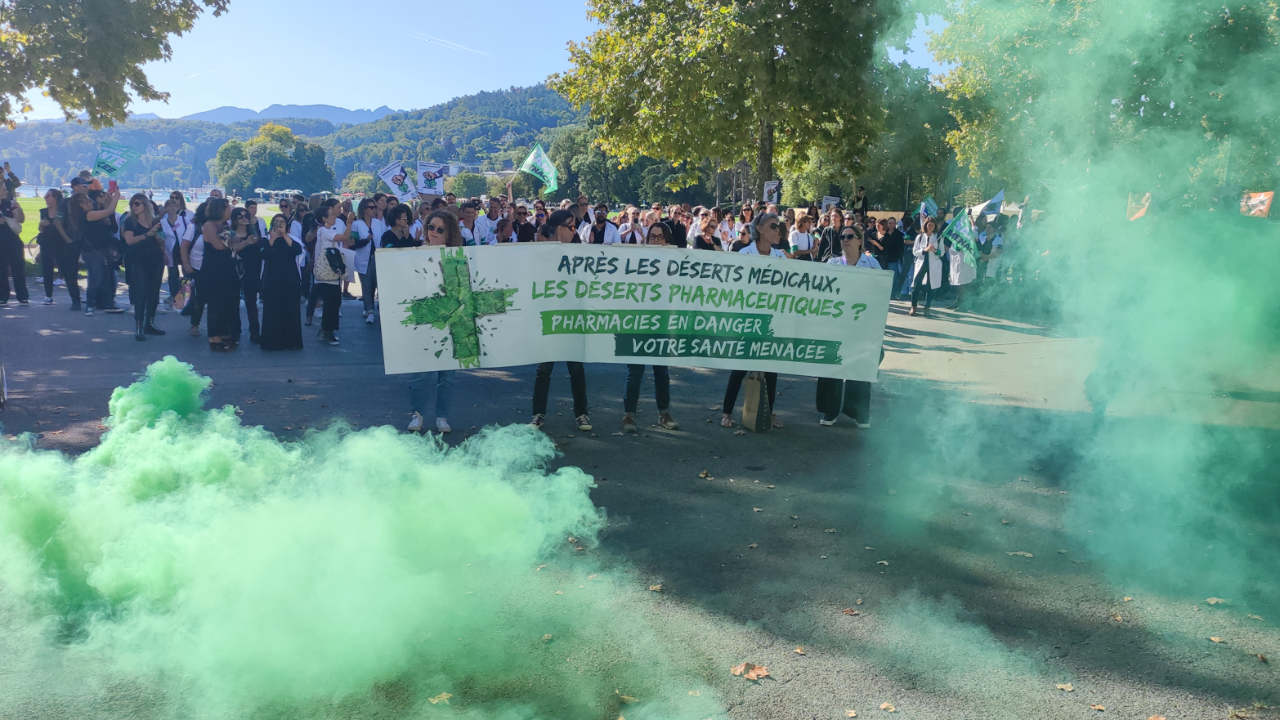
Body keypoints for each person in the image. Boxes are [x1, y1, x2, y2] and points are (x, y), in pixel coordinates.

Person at [722, 213, 786, 429]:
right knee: (740, 366)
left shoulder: (781, 257)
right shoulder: (744, 253)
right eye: (773, 226)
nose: (778, 230)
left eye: (779, 226)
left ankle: (769, 413)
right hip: (748, 319)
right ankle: (727, 413)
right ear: (759, 228)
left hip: (772, 320)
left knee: (771, 368)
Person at [531, 209, 591, 432]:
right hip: (548, 316)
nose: (575, 232)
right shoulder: (541, 253)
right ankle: (538, 414)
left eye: (576, 228)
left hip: (573, 316)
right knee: (544, 369)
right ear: (558, 228)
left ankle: (582, 413)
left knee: (576, 368)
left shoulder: (579, 253)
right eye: (571, 227)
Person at [405, 209, 464, 434]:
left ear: (449, 234)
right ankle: (417, 414)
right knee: (421, 373)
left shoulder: (457, 257)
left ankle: (442, 416)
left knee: (447, 376)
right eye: (431, 227)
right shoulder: (415, 255)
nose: (435, 232)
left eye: (441, 229)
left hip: (450, 321)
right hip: (423, 319)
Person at [621, 221, 679, 432]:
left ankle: (664, 413)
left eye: (660, 237)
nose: (656, 240)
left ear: (668, 241)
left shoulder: (677, 263)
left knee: (661, 371)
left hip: (663, 321)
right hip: (639, 321)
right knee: (635, 371)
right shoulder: (638, 261)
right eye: (652, 237)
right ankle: (629, 415)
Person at [68, 182, 123, 315]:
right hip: (93, 252)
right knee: (96, 278)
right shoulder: (87, 215)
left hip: (99, 250)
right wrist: (116, 197)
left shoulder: (90, 214)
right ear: (81, 205)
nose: (90, 202)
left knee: (105, 277)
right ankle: (90, 305)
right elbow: (109, 211)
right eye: (87, 201)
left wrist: (109, 199)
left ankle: (107, 303)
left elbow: (107, 218)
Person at [199, 199, 245, 351]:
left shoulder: (225, 226)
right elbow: (219, 246)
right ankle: (214, 336)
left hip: (228, 268)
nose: (230, 210)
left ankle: (227, 333)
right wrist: (233, 238)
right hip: (213, 270)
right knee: (216, 303)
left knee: (231, 301)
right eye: (227, 208)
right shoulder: (209, 225)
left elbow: (235, 244)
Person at [121, 193, 167, 340]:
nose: (134, 206)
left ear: (145, 205)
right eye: (132, 204)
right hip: (139, 260)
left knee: (154, 293)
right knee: (141, 294)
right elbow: (129, 240)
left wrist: (157, 236)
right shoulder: (130, 221)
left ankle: (150, 323)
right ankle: (139, 326)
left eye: (137, 204)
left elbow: (162, 241)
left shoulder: (155, 220)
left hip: (156, 259)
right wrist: (147, 235)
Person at [258, 214, 304, 351]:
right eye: (276, 222)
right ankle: (272, 342)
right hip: (272, 279)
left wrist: (284, 235)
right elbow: (263, 254)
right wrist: (272, 239)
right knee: (272, 311)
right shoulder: (266, 240)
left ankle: (292, 341)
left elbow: (297, 250)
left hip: (290, 279)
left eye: (282, 222)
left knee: (291, 311)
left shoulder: (291, 239)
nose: (279, 225)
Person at [310, 203, 352, 345]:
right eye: (331, 215)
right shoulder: (324, 231)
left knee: (334, 302)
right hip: (328, 275)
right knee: (331, 304)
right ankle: (328, 332)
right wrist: (350, 222)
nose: (334, 216)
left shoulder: (324, 231)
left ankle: (325, 330)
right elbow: (345, 237)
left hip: (331, 274)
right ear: (324, 218)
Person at [36, 189, 80, 308]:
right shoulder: (44, 212)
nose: (45, 197)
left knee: (66, 270)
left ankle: (75, 298)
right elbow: (40, 230)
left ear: (55, 198)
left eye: (48, 195)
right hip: (46, 244)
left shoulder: (63, 211)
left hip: (61, 244)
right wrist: (41, 225)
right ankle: (48, 295)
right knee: (46, 269)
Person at [227, 206, 264, 342]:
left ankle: (255, 332)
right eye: (240, 216)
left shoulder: (254, 234)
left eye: (246, 216)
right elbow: (229, 250)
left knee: (251, 302)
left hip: (252, 271)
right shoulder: (230, 234)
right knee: (233, 302)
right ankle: (235, 332)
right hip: (234, 271)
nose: (244, 218)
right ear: (235, 219)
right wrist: (246, 243)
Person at [350, 198, 384, 324]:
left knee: (378, 284)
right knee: (366, 285)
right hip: (363, 258)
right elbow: (353, 243)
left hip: (377, 257)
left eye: (375, 207)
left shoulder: (378, 223)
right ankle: (369, 311)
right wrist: (366, 240)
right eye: (371, 207)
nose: (374, 209)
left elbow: (383, 238)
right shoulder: (356, 224)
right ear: (364, 209)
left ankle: (379, 308)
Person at [159, 197, 193, 311]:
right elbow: (162, 237)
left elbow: (189, 232)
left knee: (186, 271)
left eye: (174, 206)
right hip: (170, 249)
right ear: (166, 208)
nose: (173, 209)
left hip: (183, 248)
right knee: (173, 273)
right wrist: (163, 253)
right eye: (170, 206)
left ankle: (186, 294)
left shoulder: (183, 219)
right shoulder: (163, 222)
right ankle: (174, 294)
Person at [0, 172, 27, 306]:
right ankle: (3, 296)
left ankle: (22, 296)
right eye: (4, 189)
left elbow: (21, 220)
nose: (6, 191)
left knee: (18, 267)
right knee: (1, 269)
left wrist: (19, 211)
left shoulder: (9, 203)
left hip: (13, 239)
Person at [910, 217, 943, 317]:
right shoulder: (919, 237)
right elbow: (915, 252)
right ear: (925, 225)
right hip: (921, 264)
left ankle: (927, 308)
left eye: (933, 225)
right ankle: (913, 306)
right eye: (929, 225)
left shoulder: (938, 237)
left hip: (932, 265)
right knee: (916, 287)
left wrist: (934, 250)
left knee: (930, 287)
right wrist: (925, 250)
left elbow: (942, 252)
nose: (931, 227)